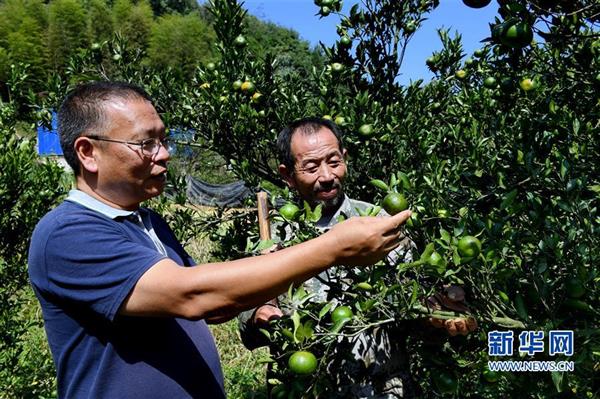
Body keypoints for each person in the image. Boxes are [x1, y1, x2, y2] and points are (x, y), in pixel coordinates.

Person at [27, 82, 412, 399]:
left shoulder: (149, 223)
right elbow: (193, 297)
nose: (165, 154)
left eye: (163, 140)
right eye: (147, 144)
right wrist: (333, 248)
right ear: (88, 152)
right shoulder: (69, 232)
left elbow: (216, 308)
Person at [238, 118, 476, 398]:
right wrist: (259, 314)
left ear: (345, 159)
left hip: (385, 389)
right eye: (312, 167)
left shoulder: (379, 223)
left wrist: (439, 313)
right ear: (288, 175)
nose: (326, 175)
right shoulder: (275, 238)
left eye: (334, 161)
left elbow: (415, 309)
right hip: (309, 389)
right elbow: (247, 320)